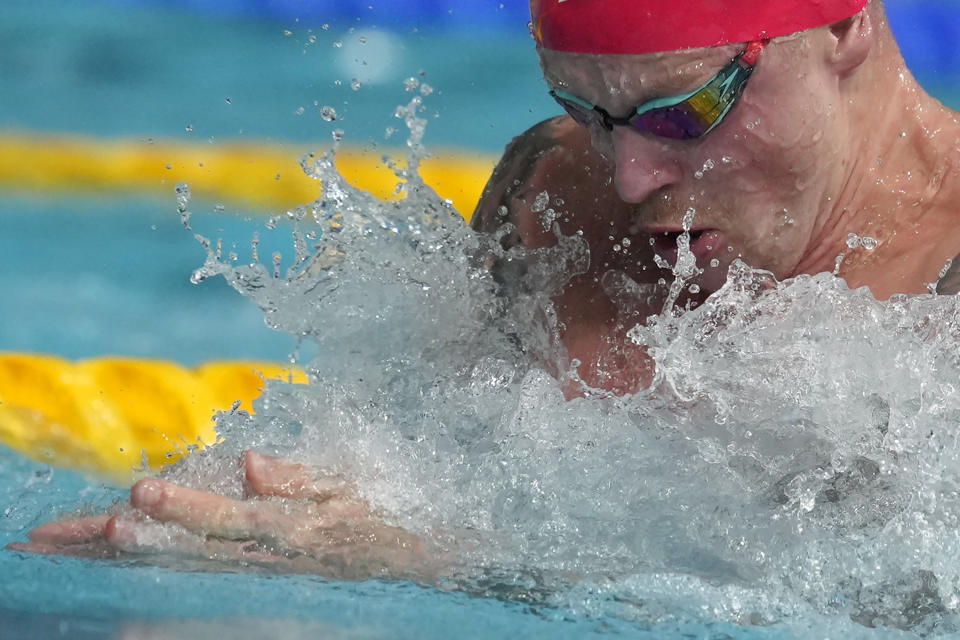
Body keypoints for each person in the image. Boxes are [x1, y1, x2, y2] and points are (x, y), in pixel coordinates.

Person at [9, 0, 960, 577]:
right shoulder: (554, 202)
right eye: (588, 110)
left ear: (846, 24)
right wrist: (231, 524)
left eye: (683, 109)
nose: (629, 177)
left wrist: (452, 562)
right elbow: (419, 462)